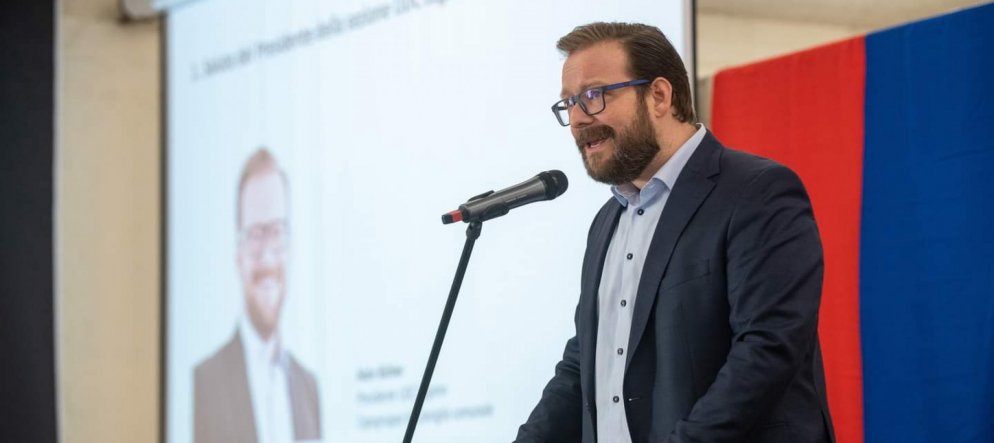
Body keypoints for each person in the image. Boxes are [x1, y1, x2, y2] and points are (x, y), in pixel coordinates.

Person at [515, 23, 834, 443]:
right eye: (569, 103)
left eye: (594, 95)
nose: (577, 119)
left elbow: (767, 349)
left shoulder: (757, 192)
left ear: (659, 96)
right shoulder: (606, 222)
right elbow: (582, 366)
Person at [194, 148, 321, 443]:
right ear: (237, 254)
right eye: (255, 234)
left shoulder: (309, 388)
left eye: (276, 232)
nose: (266, 256)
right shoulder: (205, 381)